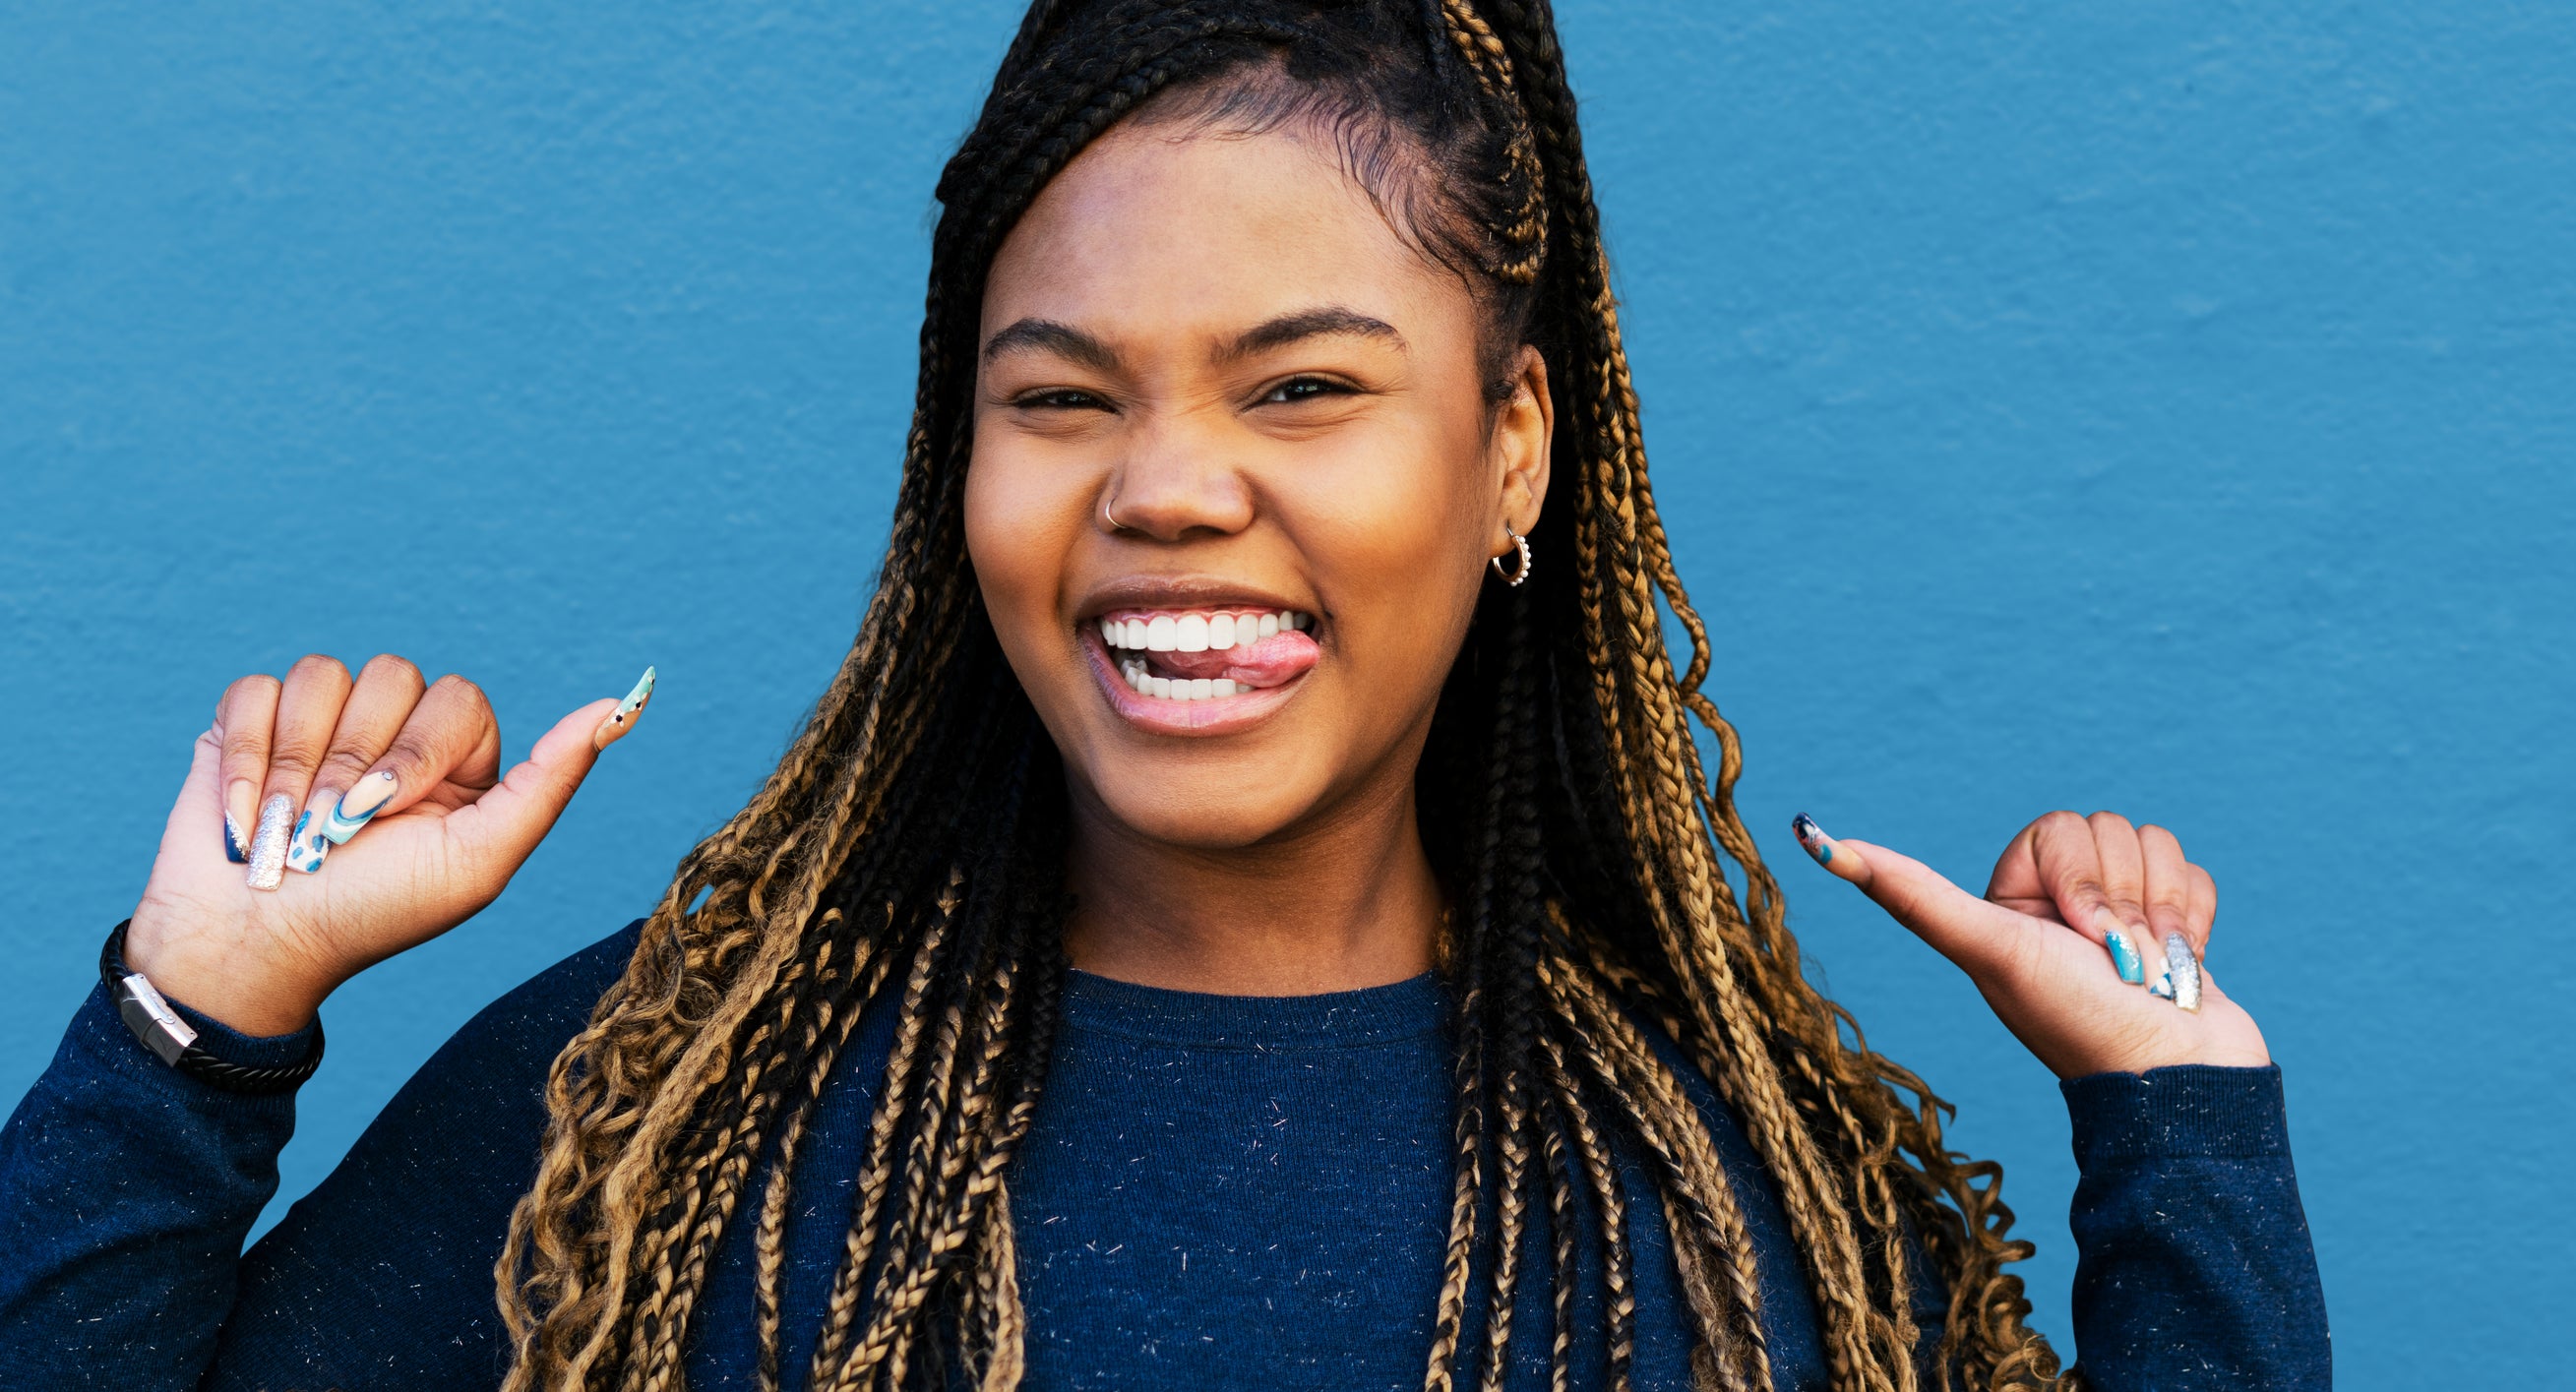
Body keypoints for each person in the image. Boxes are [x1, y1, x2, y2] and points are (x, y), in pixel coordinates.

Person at [0, 2, 2328, 1388]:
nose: (1168, 490)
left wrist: (2182, 1125)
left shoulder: (1722, 1200)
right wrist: (193, 1028)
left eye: (1305, 386)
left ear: (1511, 444)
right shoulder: (649, 1115)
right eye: (1060, 398)